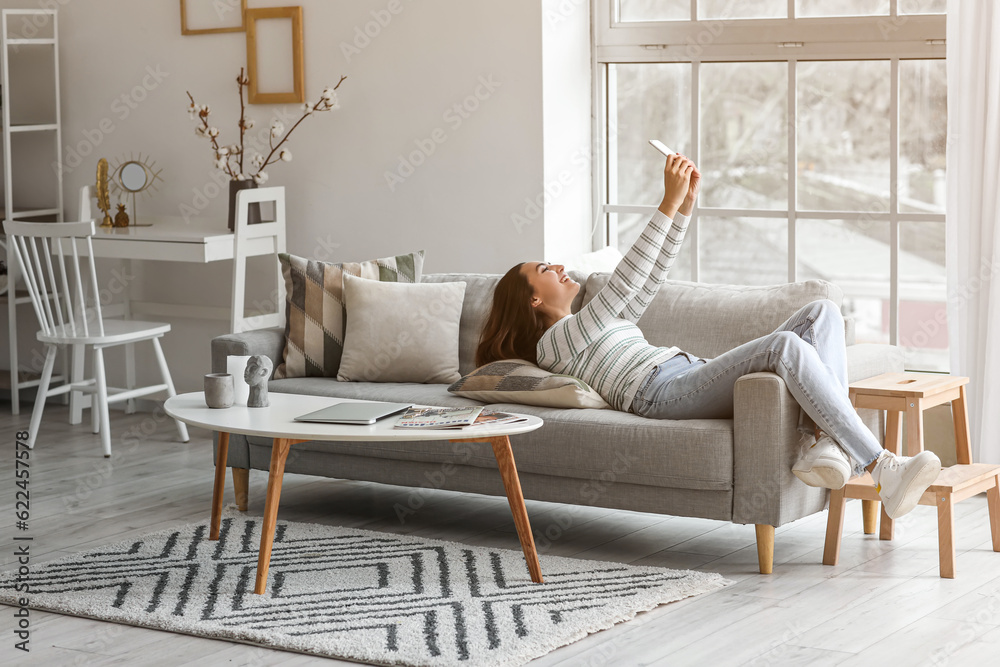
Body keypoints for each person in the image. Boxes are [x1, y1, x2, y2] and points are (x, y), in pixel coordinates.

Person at [477, 154, 940, 520]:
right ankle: (882, 468)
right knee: (785, 346)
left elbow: (651, 276)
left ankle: (825, 446)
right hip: (659, 393)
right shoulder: (554, 343)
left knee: (821, 313)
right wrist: (665, 201)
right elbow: (623, 281)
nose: (557, 267)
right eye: (544, 269)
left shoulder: (599, 322)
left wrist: (683, 209)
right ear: (533, 300)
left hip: (686, 374)